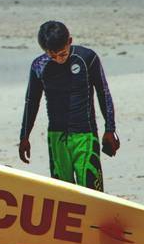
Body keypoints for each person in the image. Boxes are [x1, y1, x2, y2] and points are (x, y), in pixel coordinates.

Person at [17, 21, 119, 192]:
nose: (58, 59)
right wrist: (24, 136)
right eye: (52, 55)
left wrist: (110, 129)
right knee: (63, 193)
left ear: (70, 41)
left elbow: (104, 92)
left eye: (63, 54)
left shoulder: (87, 58)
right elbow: (31, 102)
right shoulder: (39, 66)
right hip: (57, 138)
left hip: (85, 136)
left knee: (91, 191)